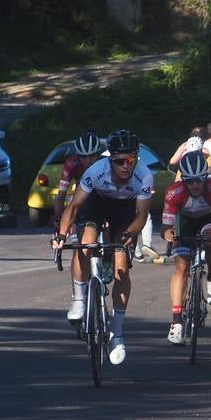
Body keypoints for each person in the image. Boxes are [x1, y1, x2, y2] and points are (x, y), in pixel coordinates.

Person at [53, 130, 155, 366]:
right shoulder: (95, 171)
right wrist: (61, 234)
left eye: (130, 160)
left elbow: (141, 216)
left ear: (136, 158)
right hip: (96, 204)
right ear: (110, 159)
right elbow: (74, 207)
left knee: (121, 269)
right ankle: (79, 299)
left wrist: (130, 233)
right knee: (85, 244)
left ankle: (116, 334)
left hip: (124, 212)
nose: (125, 166)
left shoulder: (144, 176)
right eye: (119, 161)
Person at [161, 151, 211, 345]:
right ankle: (176, 322)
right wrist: (168, 234)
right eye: (190, 181)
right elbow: (165, 227)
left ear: (206, 178)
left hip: (209, 220)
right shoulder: (174, 192)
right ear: (183, 180)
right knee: (181, 267)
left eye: (199, 180)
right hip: (185, 223)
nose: (195, 185)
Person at [54, 132, 103, 322]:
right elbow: (61, 195)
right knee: (80, 249)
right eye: (84, 156)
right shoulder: (71, 164)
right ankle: (78, 296)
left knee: (109, 239)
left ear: (98, 154)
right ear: (77, 156)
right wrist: (59, 222)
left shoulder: (106, 163)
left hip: (104, 202)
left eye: (92, 156)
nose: (88, 160)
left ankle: (106, 264)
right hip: (82, 204)